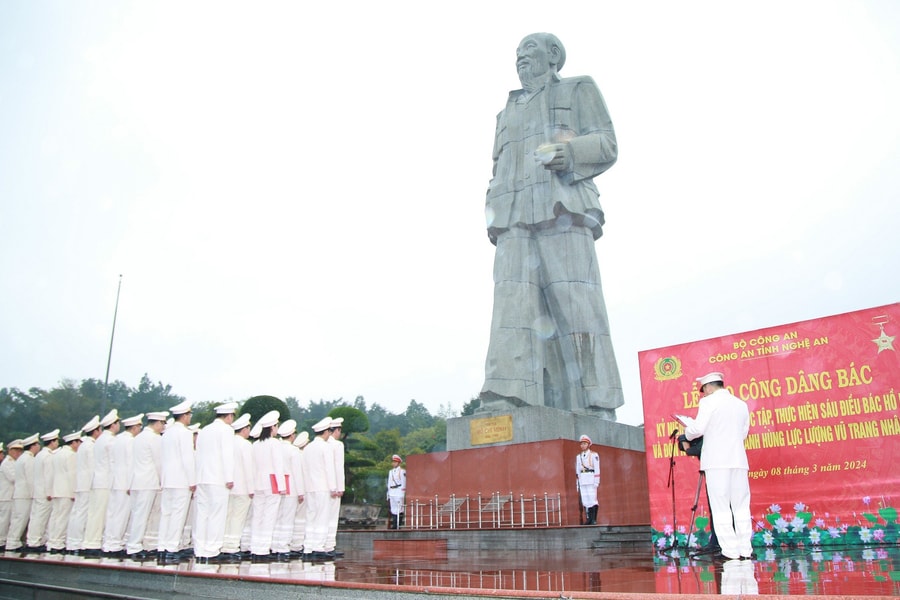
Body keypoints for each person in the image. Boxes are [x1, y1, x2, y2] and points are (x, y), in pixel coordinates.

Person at [480, 32, 623, 417]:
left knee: (578, 307)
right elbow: (497, 167)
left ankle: (596, 401)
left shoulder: (578, 89)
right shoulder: (505, 111)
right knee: (511, 310)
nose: (520, 59)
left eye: (529, 51)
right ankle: (508, 396)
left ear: (553, 56)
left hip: (563, 207)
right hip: (513, 217)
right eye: (516, 54)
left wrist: (569, 151)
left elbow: (607, 143)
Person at [681, 372, 752, 561]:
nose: (703, 395)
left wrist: (687, 432)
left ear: (709, 387)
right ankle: (746, 550)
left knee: (721, 506)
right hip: (738, 460)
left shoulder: (708, 402)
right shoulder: (741, 404)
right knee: (741, 506)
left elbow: (697, 429)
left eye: (704, 391)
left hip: (716, 462)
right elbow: (743, 433)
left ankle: (730, 551)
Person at [194, 402, 237, 563]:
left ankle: (200, 549)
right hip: (218, 478)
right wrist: (229, 478)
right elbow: (227, 454)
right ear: (229, 416)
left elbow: (198, 454)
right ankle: (212, 549)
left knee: (202, 514)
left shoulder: (205, 430)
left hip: (203, 477)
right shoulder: (226, 430)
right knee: (217, 515)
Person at [157, 401, 195, 565]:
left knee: (166, 514)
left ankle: (162, 547)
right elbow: (187, 458)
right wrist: (192, 480)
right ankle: (172, 549)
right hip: (180, 480)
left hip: (168, 479)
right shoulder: (184, 433)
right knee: (177, 515)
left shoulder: (167, 433)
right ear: (185, 416)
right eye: (189, 415)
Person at [126, 411, 168, 560]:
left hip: (137, 481)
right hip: (148, 481)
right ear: (157, 423)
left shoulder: (138, 437)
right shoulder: (154, 438)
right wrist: (162, 479)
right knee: (142, 515)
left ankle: (135, 544)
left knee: (137, 514)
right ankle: (134, 546)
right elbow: (159, 462)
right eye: (163, 423)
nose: (163, 426)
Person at [103, 413, 143, 557]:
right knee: (122, 514)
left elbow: (112, 461)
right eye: (139, 426)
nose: (140, 429)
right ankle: (115, 544)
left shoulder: (117, 439)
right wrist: (130, 483)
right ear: (134, 427)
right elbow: (131, 463)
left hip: (115, 481)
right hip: (125, 482)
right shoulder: (131, 441)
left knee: (113, 513)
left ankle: (109, 543)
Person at [83, 409, 120, 557]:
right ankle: (93, 543)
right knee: (100, 514)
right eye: (118, 423)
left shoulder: (100, 440)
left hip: (98, 480)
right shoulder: (110, 440)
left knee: (95, 513)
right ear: (113, 425)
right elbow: (113, 462)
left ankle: (91, 541)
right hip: (104, 481)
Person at [249, 410, 285, 562]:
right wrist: (282, 485)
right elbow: (278, 466)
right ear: (272, 428)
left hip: (257, 482)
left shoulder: (256, 444)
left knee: (257, 516)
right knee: (269, 516)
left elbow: (252, 466)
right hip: (272, 482)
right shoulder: (275, 443)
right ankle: (263, 548)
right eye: (277, 426)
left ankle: (255, 547)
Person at [302, 417, 337, 561]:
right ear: (326, 432)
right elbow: (329, 469)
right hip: (323, 487)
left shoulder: (308, 447)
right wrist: (333, 487)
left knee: (310, 517)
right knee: (322, 517)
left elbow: (304, 468)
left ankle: (308, 547)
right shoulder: (326, 447)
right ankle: (319, 547)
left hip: (310, 487)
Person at [66, 415, 101, 555]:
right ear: (96, 431)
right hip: (87, 485)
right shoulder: (91, 446)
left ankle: (73, 541)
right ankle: (77, 542)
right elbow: (93, 467)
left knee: (77, 513)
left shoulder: (83, 445)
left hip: (81, 484)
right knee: (83, 513)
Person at [221, 413, 253, 562]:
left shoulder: (229, 441)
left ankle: (223, 544)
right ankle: (232, 547)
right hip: (242, 487)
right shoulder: (245, 444)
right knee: (238, 518)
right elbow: (248, 468)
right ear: (245, 429)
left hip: (228, 487)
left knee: (227, 516)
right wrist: (251, 489)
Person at [46, 430, 81, 554]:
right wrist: (74, 492)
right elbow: (72, 475)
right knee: (63, 517)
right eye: (79, 442)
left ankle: (52, 541)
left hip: (57, 490)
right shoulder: (71, 455)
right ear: (74, 443)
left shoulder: (58, 453)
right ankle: (58, 543)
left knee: (55, 517)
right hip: (66, 490)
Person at [24, 429, 58, 552]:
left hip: (38, 491)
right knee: (41, 518)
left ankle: (34, 540)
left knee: (36, 516)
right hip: (44, 492)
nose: (57, 444)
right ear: (52, 442)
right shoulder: (48, 456)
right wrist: (50, 492)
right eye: (56, 441)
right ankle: (35, 542)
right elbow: (48, 476)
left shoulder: (40, 455)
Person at [6, 433, 40, 551]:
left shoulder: (22, 458)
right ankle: (13, 542)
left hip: (19, 493)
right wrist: (33, 494)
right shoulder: (29, 459)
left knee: (17, 518)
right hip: (25, 494)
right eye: (37, 444)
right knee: (21, 519)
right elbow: (30, 479)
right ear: (33, 446)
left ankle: (12, 541)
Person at [324, 417, 345, 557]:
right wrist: (340, 487)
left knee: (321, 517)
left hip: (322, 486)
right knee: (331, 517)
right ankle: (329, 546)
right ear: (336, 430)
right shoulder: (337, 445)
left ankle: (321, 545)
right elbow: (338, 468)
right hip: (334, 487)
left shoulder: (323, 444)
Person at [0, 440, 24, 551]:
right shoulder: (7, 463)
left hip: (12, 496)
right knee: (4, 520)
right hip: (5, 497)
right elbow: (13, 478)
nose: (18, 453)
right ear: (10, 450)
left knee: (10, 520)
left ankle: (4, 540)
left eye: (20, 450)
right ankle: (1, 540)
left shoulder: (15, 462)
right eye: (16, 450)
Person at [575, 434, 600, 525]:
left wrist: (596, 481)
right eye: (581, 444)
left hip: (591, 478)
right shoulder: (579, 457)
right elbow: (578, 471)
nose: (583, 445)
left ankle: (593, 519)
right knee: (585, 500)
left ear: (588, 444)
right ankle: (588, 518)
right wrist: (577, 483)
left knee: (592, 499)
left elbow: (597, 468)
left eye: (584, 443)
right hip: (583, 479)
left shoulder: (594, 455)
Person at [386, 455, 406, 529]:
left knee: (399, 509)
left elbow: (403, 482)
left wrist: (402, 493)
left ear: (398, 463)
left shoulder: (402, 471)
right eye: (393, 462)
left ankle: (398, 525)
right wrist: (388, 494)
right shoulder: (390, 472)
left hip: (399, 491)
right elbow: (389, 483)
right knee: (393, 509)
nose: (393, 463)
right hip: (392, 492)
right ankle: (394, 525)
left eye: (395, 462)